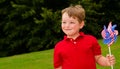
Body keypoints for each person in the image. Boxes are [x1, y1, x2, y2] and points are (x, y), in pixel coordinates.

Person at [53, 5, 115, 69]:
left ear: (81, 24)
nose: (67, 25)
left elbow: (98, 58)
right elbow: (58, 67)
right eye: (64, 22)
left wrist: (106, 61)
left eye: (71, 22)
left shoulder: (91, 40)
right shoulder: (58, 46)